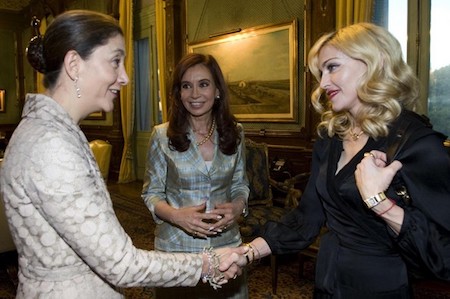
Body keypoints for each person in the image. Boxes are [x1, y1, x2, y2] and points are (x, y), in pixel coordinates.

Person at [0, 10, 247, 299]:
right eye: (116, 61)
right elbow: (121, 264)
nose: (126, 77)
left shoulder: (53, 132)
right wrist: (210, 263)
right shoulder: (51, 144)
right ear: (74, 64)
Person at [233, 22, 450, 298]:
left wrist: (379, 202)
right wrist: (247, 253)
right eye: (321, 72)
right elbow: (307, 217)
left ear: (374, 64)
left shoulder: (416, 143)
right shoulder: (331, 137)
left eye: (332, 67)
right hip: (327, 282)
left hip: (379, 289)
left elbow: (443, 255)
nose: (323, 83)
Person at [141, 53, 249, 298]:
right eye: (186, 86)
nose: (195, 94)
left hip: (227, 247)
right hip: (177, 250)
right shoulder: (161, 136)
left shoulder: (236, 132)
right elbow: (151, 193)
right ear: (179, 93)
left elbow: (240, 183)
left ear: (218, 90)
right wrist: (177, 216)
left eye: (203, 84)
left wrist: (237, 206)